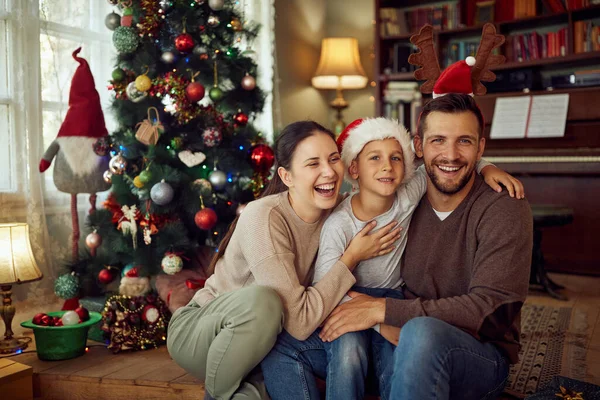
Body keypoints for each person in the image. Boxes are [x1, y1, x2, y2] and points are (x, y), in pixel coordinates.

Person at [261, 116, 525, 400]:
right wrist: (369, 306)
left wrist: (488, 167)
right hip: (345, 298)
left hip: (394, 299)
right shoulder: (339, 222)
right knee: (346, 353)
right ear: (354, 168)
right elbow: (327, 282)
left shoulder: (407, 196)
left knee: (393, 361)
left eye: (396, 158)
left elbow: (447, 164)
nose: (387, 166)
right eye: (374, 158)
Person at [167, 121, 401, 400]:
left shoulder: (341, 210)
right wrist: (350, 257)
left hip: (267, 346)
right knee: (265, 301)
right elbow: (300, 322)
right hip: (207, 334)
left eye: (333, 159)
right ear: (287, 177)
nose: (328, 172)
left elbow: (394, 186)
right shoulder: (263, 217)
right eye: (313, 164)